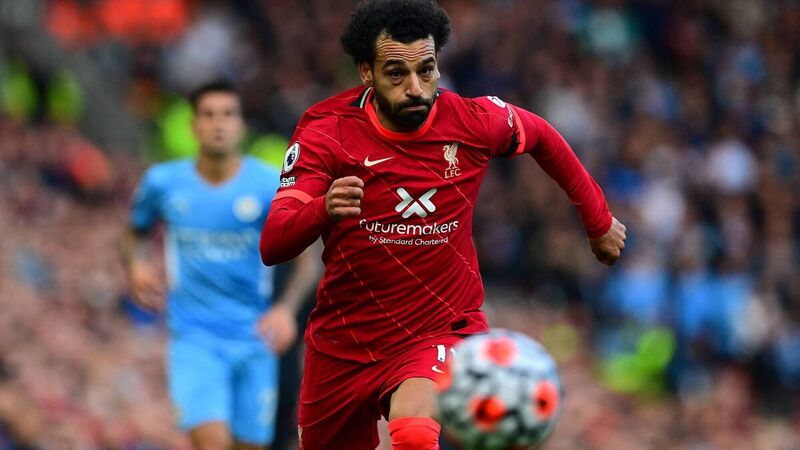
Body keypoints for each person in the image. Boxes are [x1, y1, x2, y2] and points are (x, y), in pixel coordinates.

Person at [259, 1, 627, 449]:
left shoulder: (472, 121)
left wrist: (598, 221)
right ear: (366, 73)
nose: (416, 88)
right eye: (397, 73)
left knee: (415, 432)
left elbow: (543, 137)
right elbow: (274, 244)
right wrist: (323, 208)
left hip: (438, 328)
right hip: (343, 341)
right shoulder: (326, 131)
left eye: (427, 70)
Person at [121, 80, 318, 450]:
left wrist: (286, 310)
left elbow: (307, 260)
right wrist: (136, 265)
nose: (218, 124)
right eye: (209, 115)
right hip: (194, 339)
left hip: (254, 339)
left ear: (241, 126)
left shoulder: (268, 185)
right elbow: (133, 233)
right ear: (194, 126)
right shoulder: (163, 183)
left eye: (228, 115)